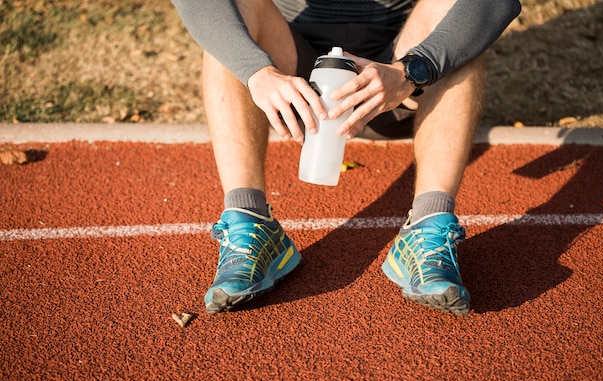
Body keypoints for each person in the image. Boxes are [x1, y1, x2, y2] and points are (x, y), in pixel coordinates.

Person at [171, 0, 521, 316]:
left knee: (456, 27)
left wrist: (412, 70)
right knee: (231, 26)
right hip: (294, 83)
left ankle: (428, 228)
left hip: (398, 80)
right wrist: (256, 72)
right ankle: (250, 223)